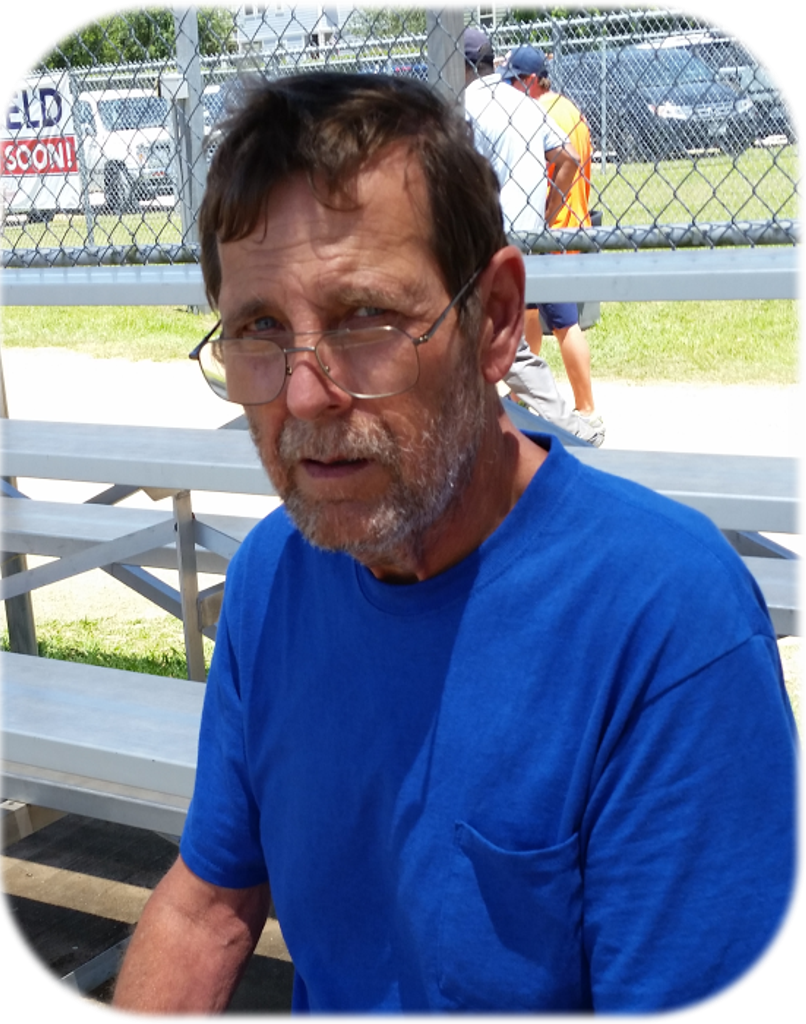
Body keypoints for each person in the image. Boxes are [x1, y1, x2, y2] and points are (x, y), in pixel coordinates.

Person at [111, 72, 801, 1023]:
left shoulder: (663, 619)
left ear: (497, 319)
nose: (304, 395)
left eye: (364, 318)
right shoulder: (274, 576)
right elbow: (208, 905)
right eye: (258, 328)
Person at [463, 28, 605, 447]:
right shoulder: (521, 101)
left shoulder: (465, 104)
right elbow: (569, 158)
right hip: (531, 235)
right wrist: (545, 209)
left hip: (486, 238)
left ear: (460, 65)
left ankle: (569, 425)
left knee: (499, 337)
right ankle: (562, 421)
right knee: (507, 333)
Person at [502, 44, 602, 434]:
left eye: (514, 81)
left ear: (530, 81)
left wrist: (545, 212)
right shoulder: (570, 108)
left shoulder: (537, 111)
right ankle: (521, 397)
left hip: (550, 228)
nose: (510, 89)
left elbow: (556, 167)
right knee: (531, 313)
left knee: (563, 323)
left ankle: (586, 408)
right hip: (573, 221)